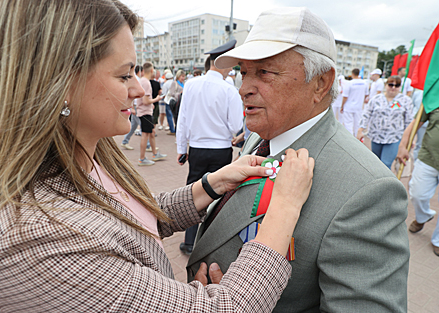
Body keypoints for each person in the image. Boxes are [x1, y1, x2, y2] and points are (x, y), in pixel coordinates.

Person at [0, 1, 317, 312]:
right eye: (124, 75)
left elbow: (128, 217)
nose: (138, 90)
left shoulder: (85, 155)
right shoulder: (28, 240)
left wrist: (210, 185)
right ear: (60, 84)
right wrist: (284, 207)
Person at [187, 7, 410, 313]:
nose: (243, 89)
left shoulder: (368, 189)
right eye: (244, 71)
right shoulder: (261, 137)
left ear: (320, 83)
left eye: (264, 72)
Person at [176, 40, 243, 254]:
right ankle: (209, 244)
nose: (232, 69)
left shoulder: (191, 85)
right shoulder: (229, 90)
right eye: (230, 64)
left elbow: (182, 119)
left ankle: (189, 242)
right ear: (221, 63)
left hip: (196, 148)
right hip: (221, 149)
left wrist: (181, 149)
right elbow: (235, 126)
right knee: (218, 193)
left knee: (192, 193)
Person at [397, 102, 439, 256]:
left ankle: (438, 241)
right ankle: (423, 216)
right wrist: (403, 146)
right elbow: (415, 123)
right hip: (428, 158)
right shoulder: (434, 97)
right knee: (417, 194)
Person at [357, 76, 413, 169]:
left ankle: (385, 182)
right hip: (376, 136)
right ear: (386, 85)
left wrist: (408, 139)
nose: (393, 88)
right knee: (376, 162)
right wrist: (360, 130)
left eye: (397, 85)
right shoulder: (376, 99)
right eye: (391, 85)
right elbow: (366, 114)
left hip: (394, 137)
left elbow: (409, 121)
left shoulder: (406, 101)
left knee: (385, 164)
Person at [136, 62, 166, 166]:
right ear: (152, 70)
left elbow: (143, 100)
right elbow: (145, 101)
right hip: (145, 112)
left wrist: (150, 103)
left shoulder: (143, 81)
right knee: (145, 134)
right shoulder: (146, 82)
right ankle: (142, 158)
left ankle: (154, 154)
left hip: (145, 111)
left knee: (151, 132)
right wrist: (156, 99)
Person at [340, 68, 369, 135]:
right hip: (358, 107)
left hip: (348, 106)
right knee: (358, 123)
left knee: (348, 124)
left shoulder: (349, 83)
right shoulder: (364, 83)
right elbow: (366, 94)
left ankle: (349, 139)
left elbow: (345, 96)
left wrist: (342, 106)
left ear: (352, 74)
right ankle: (357, 138)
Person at [121, 65, 142, 150]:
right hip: (136, 106)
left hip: (136, 106)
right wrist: (132, 108)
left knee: (134, 125)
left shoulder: (137, 78)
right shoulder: (136, 78)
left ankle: (125, 141)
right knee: (143, 126)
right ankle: (148, 145)